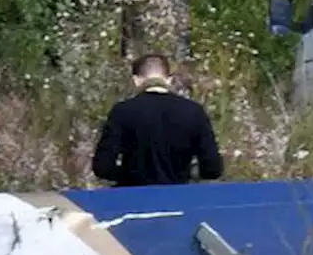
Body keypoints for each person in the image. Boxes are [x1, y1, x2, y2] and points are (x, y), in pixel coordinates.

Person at [91, 53, 224, 187]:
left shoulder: (122, 111)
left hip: (134, 197)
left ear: (136, 80)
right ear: (169, 80)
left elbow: (102, 167)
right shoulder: (194, 111)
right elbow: (212, 169)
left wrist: (129, 176)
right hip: (178, 197)